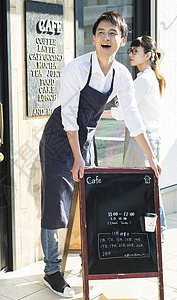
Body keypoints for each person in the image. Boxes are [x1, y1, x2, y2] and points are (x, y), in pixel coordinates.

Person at [39, 12, 162, 298]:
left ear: (122, 39)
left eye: (113, 33)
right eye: (102, 32)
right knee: (54, 202)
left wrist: (151, 158)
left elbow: (133, 118)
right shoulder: (77, 68)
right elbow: (69, 116)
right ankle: (51, 270)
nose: (107, 38)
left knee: (88, 201)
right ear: (94, 38)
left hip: (84, 140)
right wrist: (78, 158)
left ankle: (89, 261)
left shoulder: (121, 75)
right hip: (59, 139)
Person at [121, 35, 167, 234]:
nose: (130, 54)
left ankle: (154, 229)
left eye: (135, 51)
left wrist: (99, 113)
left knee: (142, 183)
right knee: (148, 182)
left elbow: (124, 110)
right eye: (130, 50)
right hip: (148, 135)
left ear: (147, 55)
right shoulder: (147, 77)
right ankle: (159, 229)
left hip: (143, 137)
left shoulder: (143, 80)